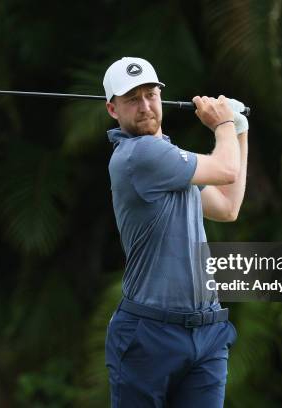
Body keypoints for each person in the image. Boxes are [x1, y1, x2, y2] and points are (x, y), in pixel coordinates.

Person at [103, 57, 248, 408]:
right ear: (112, 109)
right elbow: (227, 170)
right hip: (149, 334)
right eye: (131, 99)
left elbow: (228, 206)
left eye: (150, 94)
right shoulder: (139, 156)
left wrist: (239, 130)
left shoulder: (170, 159)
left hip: (207, 330)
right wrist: (225, 122)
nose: (145, 106)